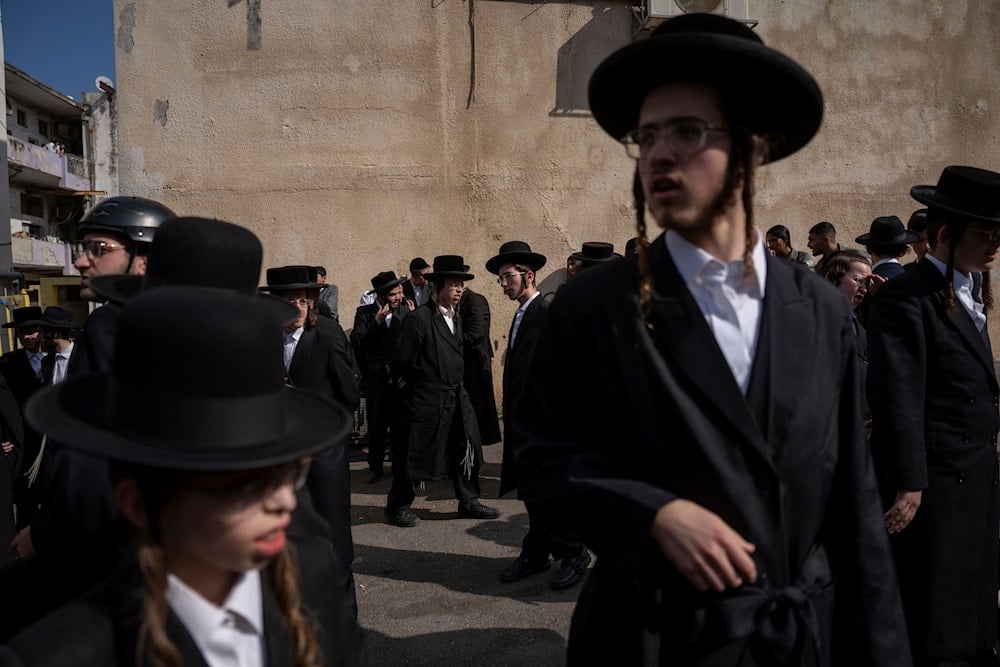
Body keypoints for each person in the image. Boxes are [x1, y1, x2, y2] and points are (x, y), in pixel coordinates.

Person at [514, 13, 908, 665]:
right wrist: (650, 515)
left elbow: (854, 506)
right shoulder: (591, 307)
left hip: (794, 638)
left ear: (755, 145)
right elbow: (539, 458)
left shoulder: (821, 311)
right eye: (647, 136)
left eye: (688, 131)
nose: (660, 153)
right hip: (652, 636)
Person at [3, 287, 373, 666]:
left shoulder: (310, 573)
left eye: (288, 473)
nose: (285, 501)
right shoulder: (62, 652)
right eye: (244, 485)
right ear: (140, 503)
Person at [867, 165, 1000, 664]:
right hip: (938, 485)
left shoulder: (970, 290)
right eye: (987, 235)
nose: (995, 246)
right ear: (946, 234)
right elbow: (898, 396)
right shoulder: (907, 296)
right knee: (935, 611)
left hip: (977, 476)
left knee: (973, 600)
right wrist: (910, 483)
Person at [487, 241, 590, 590]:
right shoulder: (521, 313)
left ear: (529, 276)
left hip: (543, 424)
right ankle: (536, 552)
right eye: (500, 278)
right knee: (533, 492)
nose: (503, 283)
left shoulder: (544, 312)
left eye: (508, 277)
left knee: (549, 493)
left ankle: (574, 553)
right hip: (523, 421)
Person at [260, 265, 359, 594]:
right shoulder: (266, 339)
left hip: (325, 456)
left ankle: (343, 617)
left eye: (303, 301)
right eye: (289, 302)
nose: (297, 309)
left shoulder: (328, 335)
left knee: (334, 540)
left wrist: (330, 435)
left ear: (313, 301)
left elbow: (348, 394)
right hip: (283, 457)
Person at [386, 255, 500, 527]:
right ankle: (398, 505)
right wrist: (417, 383)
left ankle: (468, 501)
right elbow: (403, 361)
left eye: (461, 284)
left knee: (467, 446)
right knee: (415, 452)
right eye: (453, 284)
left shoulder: (455, 317)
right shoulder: (420, 319)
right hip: (427, 398)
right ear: (437, 287)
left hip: (456, 396)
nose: (459, 289)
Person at [67, 195, 175, 378]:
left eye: (99, 248)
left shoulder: (109, 320)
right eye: (84, 247)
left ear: (145, 262)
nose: (80, 262)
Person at [350, 271, 411, 484]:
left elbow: (411, 345)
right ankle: (375, 468)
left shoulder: (405, 312)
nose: (399, 298)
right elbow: (357, 341)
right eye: (394, 294)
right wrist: (375, 323)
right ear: (383, 296)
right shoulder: (365, 313)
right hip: (376, 379)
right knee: (376, 425)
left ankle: (398, 464)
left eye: (400, 293)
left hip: (399, 379)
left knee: (399, 424)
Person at [458, 286, 502, 447]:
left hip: (474, 366)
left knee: (476, 413)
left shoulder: (475, 301)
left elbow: (475, 334)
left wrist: (447, 341)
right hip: (461, 366)